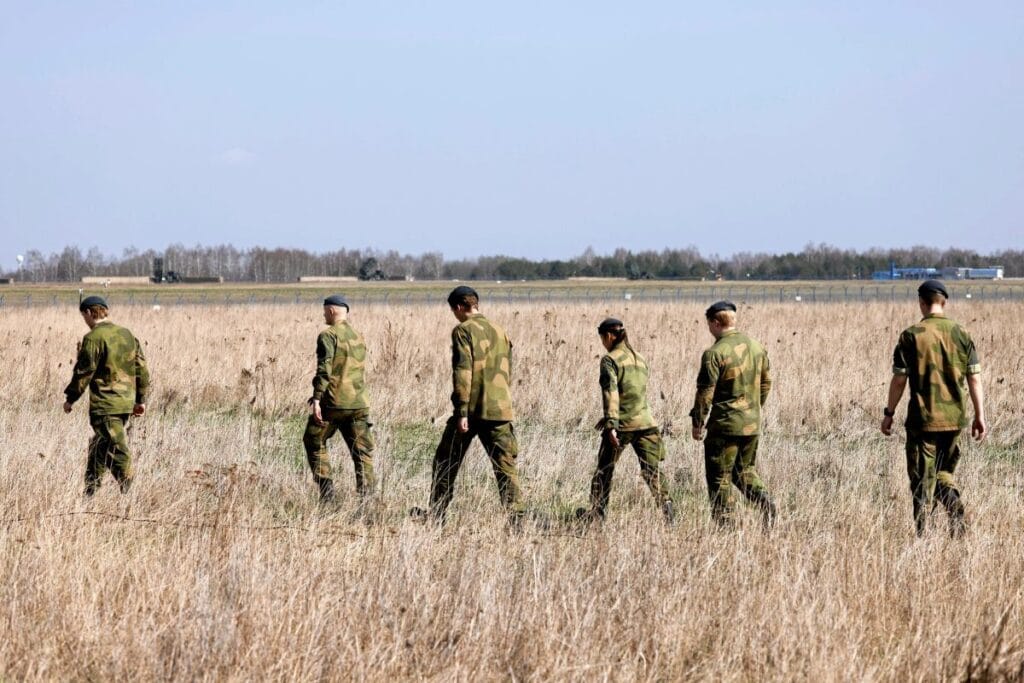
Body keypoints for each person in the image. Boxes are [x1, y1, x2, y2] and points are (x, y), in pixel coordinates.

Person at [881, 279, 986, 537]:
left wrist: (889, 413)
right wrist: (980, 416)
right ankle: (953, 505)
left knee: (920, 480)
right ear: (944, 302)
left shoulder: (910, 336)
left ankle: (923, 535)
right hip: (955, 419)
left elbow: (899, 379)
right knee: (943, 473)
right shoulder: (962, 334)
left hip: (923, 420)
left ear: (921, 303)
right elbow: (974, 378)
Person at [413, 286, 525, 525]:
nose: (455, 314)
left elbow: (462, 371)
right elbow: (508, 370)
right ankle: (518, 520)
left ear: (460, 307)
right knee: (505, 467)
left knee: (445, 460)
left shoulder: (463, 331)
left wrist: (461, 410)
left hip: (472, 410)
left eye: (454, 310)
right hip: (500, 408)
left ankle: (437, 515)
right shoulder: (499, 330)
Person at [576, 318, 673, 524]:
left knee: (604, 469)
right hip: (647, 423)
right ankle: (667, 508)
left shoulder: (610, 360)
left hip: (622, 425)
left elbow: (611, 392)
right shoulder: (640, 358)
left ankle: (597, 514)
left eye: (602, 338)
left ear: (609, 336)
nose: (602, 342)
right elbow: (633, 393)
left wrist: (611, 423)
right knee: (652, 471)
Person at [689, 301, 776, 528]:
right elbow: (766, 383)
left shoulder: (715, 353)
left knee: (720, 477)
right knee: (744, 471)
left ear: (715, 323)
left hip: (724, 426)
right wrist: (754, 409)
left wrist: (698, 422)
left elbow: (705, 393)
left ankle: (725, 527)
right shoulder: (757, 347)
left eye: (709, 324)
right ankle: (765, 501)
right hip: (752, 424)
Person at [63, 295, 150, 496]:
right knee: (99, 447)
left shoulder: (93, 338)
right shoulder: (127, 334)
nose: (84, 320)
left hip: (106, 405)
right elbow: (142, 370)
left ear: (88, 312)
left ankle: (131, 494)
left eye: (83, 315)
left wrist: (70, 399)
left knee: (118, 450)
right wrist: (140, 400)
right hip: (126, 403)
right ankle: (89, 494)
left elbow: (84, 372)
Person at [302, 295, 377, 505]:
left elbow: (324, 369)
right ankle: (367, 501)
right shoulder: (359, 336)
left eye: (325, 310)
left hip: (334, 403)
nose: (323, 314)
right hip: (359, 402)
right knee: (362, 452)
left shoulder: (328, 335)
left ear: (332, 311)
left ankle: (327, 494)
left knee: (314, 440)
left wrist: (317, 398)